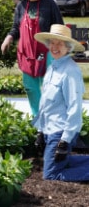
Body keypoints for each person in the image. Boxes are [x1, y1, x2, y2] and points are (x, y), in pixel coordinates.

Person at [1, 0, 63, 116]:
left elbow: (59, 27)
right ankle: (38, 118)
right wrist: (8, 38)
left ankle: (53, 118)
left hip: (46, 52)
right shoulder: (21, 6)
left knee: (49, 87)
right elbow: (16, 28)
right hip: (26, 53)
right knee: (30, 88)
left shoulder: (50, 4)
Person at [32, 24, 89, 181]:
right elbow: (46, 105)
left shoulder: (70, 71)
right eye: (52, 42)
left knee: (51, 174)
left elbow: (75, 108)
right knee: (59, 164)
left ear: (68, 47)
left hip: (61, 131)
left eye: (60, 43)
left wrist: (65, 140)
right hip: (50, 129)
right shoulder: (53, 67)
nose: (54, 47)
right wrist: (41, 131)